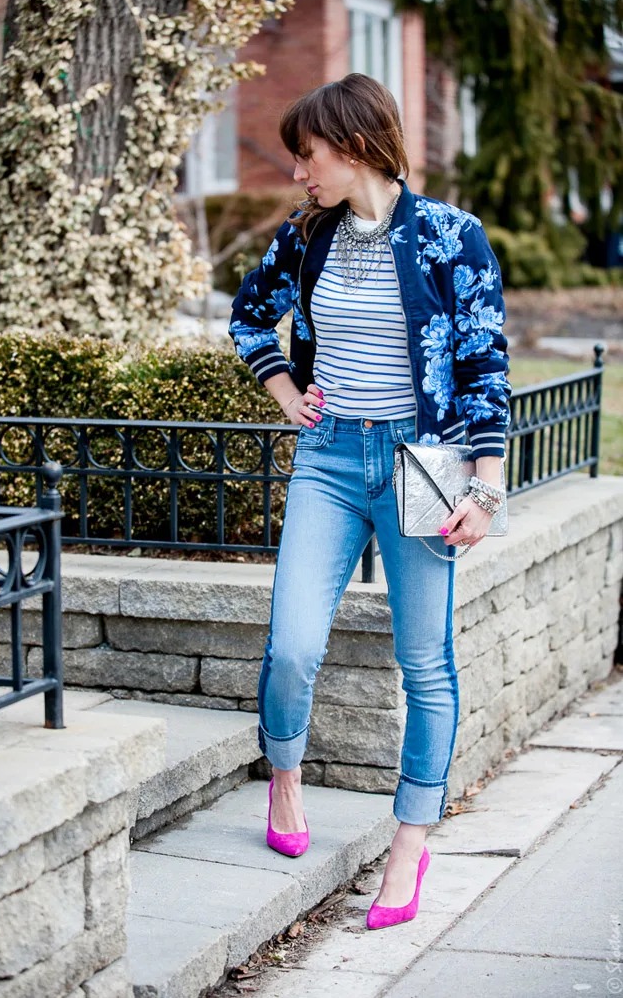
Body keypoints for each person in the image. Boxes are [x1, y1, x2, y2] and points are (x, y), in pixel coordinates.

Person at [227, 73, 510, 929]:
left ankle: (409, 847)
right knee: (291, 646)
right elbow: (248, 314)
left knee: (426, 661)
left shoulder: (453, 239)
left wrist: (485, 488)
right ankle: (285, 780)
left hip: (423, 464)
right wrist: (284, 389)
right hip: (328, 454)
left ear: (352, 149)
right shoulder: (308, 235)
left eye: (307, 156)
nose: (299, 174)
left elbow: (485, 372)